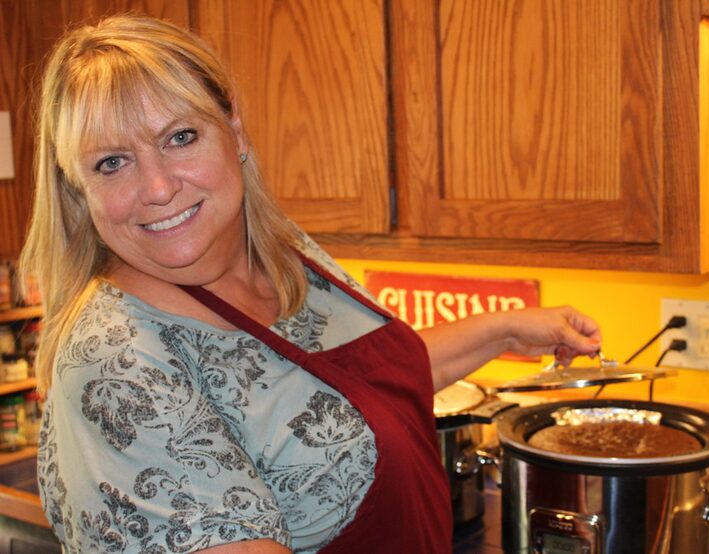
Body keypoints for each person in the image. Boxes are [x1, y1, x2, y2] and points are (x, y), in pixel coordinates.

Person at [18, 14, 602, 554]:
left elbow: (344, 394)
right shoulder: (116, 363)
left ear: (235, 131)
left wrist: (500, 332)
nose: (158, 187)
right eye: (112, 163)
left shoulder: (281, 252)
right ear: (78, 190)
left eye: (180, 137)